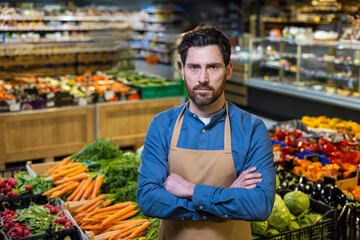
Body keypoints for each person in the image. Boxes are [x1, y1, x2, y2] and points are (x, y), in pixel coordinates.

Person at [137, 25, 276, 240]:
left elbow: (260, 205)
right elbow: (148, 199)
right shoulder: (162, 125)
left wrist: (191, 190)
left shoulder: (251, 129)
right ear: (182, 69)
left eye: (213, 67)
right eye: (194, 67)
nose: (202, 78)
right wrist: (225, 202)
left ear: (228, 70)